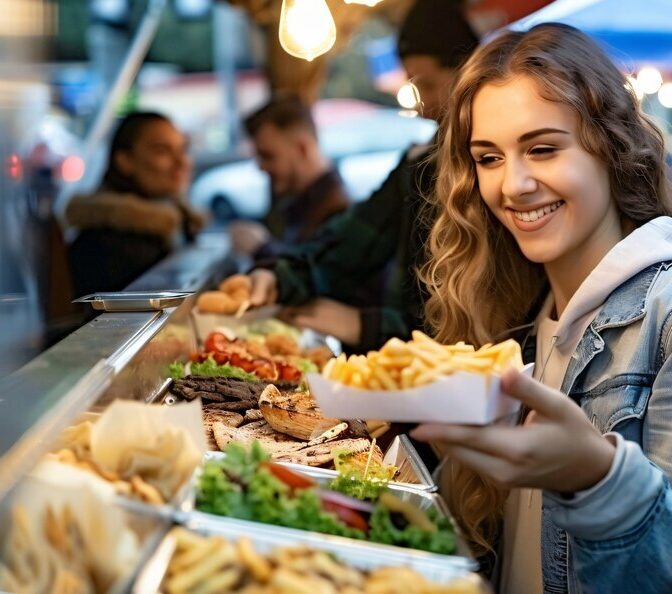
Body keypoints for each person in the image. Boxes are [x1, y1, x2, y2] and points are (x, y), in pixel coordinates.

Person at [409, 24, 672, 593]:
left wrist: (596, 478)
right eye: (488, 158)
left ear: (609, 145)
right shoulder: (517, 305)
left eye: (543, 149)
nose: (513, 185)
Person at [232, 0, 479, 353]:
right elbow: (351, 240)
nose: (422, 104)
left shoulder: (488, 177)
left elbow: (478, 327)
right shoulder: (419, 162)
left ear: (469, 72)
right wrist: (279, 276)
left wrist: (362, 324)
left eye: (426, 84)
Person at [65, 112, 203, 297]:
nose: (181, 162)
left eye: (183, 149)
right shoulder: (105, 244)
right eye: (162, 150)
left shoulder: (180, 221)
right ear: (125, 161)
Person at [229, 96, 351, 260]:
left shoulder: (337, 212)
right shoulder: (306, 204)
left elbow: (318, 277)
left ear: (302, 148)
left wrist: (261, 248)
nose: (261, 167)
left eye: (268, 156)